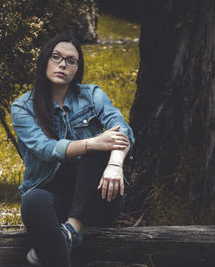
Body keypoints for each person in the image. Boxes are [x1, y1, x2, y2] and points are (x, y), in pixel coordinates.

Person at [10, 34, 135, 267]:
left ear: (77, 68)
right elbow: (44, 148)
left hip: (99, 196)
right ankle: (67, 235)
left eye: (71, 60)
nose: (62, 64)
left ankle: (71, 228)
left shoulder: (92, 95)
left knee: (99, 150)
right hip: (52, 199)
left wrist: (115, 165)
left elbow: (122, 129)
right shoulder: (23, 107)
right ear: (44, 60)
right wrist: (91, 143)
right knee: (33, 201)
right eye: (56, 57)